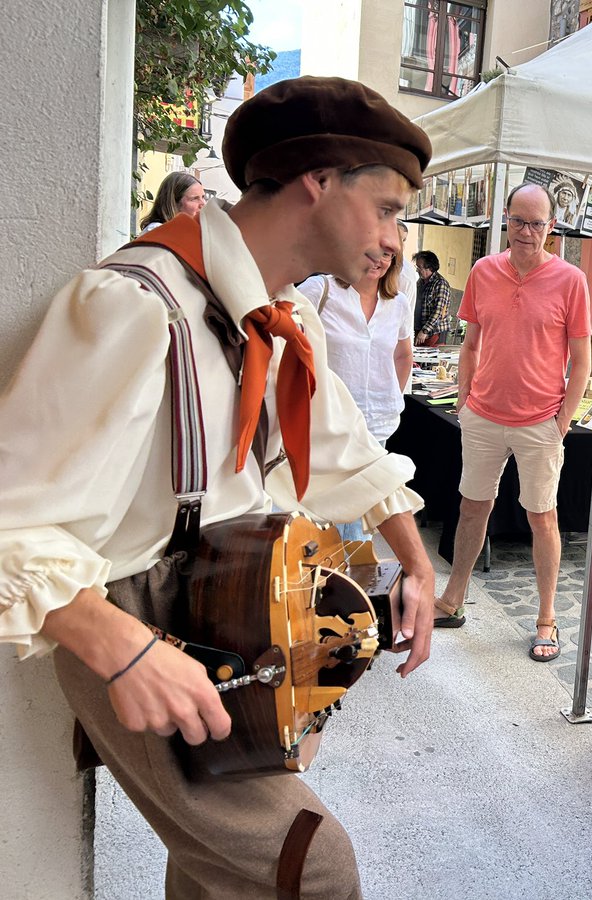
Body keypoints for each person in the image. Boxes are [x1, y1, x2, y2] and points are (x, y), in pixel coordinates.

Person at [0, 76, 436, 897]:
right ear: (320, 181)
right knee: (313, 867)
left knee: (215, 877)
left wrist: (414, 560)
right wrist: (125, 651)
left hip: (244, 603)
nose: (393, 239)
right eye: (386, 208)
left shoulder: (288, 320)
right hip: (144, 621)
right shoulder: (138, 308)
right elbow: (8, 520)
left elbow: (344, 448)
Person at [431, 182, 591, 663]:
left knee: (543, 517)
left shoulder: (570, 280)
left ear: (552, 227)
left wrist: (562, 421)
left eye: (536, 223)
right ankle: (453, 599)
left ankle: (546, 618)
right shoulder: (484, 270)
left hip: (540, 421)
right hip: (483, 415)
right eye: (518, 221)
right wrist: (464, 398)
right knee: (471, 507)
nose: (526, 232)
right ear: (505, 218)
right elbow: (471, 342)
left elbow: (581, 360)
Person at [297, 225, 414, 545]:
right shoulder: (321, 290)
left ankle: (351, 582)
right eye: (372, 250)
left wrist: (393, 394)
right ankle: (330, 580)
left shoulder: (398, 303)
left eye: (388, 254)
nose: (379, 260)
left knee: (362, 510)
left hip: (377, 423)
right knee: (325, 509)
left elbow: (403, 354)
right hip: (327, 421)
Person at [138, 171, 207, 234]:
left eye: (203, 197)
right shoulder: (157, 231)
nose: (203, 204)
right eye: (194, 198)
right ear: (174, 202)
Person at [412, 249, 453, 346]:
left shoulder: (440, 283)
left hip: (434, 332)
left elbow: (438, 312)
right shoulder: (420, 282)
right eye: (416, 267)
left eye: (419, 267)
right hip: (419, 330)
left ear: (429, 267)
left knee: (431, 360)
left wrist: (425, 331)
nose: (417, 270)